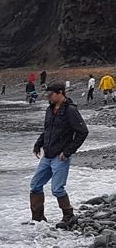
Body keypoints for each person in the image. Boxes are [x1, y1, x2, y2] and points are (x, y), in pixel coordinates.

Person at [30, 82, 89, 229]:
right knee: (35, 185)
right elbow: (47, 130)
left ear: (60, 93)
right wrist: (38, 144)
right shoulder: (49, 110)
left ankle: (69, 216)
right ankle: (38, 219)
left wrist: (68, 152)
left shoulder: (70, 110)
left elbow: (83, 132)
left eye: (51, 95)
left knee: (57, 189)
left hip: (60, 157)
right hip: (47, 155)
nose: (48, 97)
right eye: (47, 95)